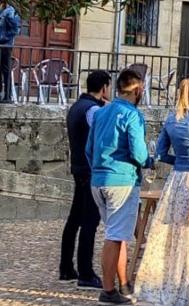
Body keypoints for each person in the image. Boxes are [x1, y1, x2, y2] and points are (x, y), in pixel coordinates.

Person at [134, 77, 189, 306]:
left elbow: (160, 154)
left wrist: (181, 160)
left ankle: (170, 287)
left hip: (176, 181)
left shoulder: (172, 117)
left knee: (174, 233)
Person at [86, 68, 152, 305]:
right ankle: (108, 291)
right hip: (122, 181)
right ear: (137, 89)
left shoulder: (101, 112)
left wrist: (98, 169)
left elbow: (88, 149)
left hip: (98, 180)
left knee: (118, 234)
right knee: (114, 236)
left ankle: (123, 283)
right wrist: (149, 161)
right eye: (142, 88)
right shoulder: (132, 115)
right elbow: (139, 153)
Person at [60, 70, 110, 289]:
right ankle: (86, 273)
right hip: (90, 170)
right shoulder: (93, 110)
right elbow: (100, 136)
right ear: (104, 88)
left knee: (75, 219)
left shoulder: (77, 106)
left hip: (78, 167)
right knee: (89, 221)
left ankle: (66, 267)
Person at [0, 0, 20, 103]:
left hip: (5, 45)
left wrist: (3, 38)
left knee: (6, 69)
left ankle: (7, 96)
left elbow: (16, 29)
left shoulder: (10, 11)